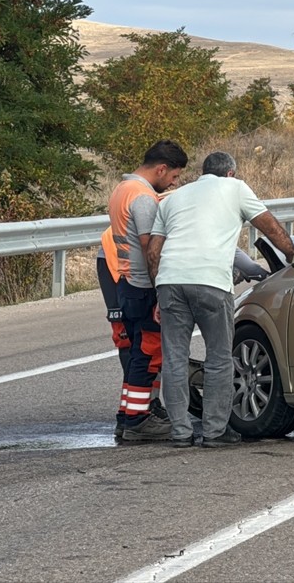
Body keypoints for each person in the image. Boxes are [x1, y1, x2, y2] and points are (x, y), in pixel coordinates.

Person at [148, 151, 294, 448]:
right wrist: (293, 255)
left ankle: (180, 433)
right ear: (230, 173)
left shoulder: (174, 198)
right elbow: (269, 226)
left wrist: (158, 292)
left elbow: (153, 252)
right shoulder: (235, 188)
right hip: (211, 282)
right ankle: (215, 431)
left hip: (170, 282)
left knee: (174, 358)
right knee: (219, 357)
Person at [108, 140, 188, 442]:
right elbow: (148, 247)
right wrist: (160, 289)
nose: (174, 183)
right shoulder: (143, 198)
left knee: (136, 353)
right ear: (162, 168)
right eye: (174, 176)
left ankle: (127, 415)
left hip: (126, 281)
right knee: (148, 353)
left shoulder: (122, 189)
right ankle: (138, 421)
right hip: (143, 284)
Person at [96, 228, 132, 441]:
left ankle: (129, 414)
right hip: (116, 266)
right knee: (132, 343)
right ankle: (129, 416)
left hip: (119, 263)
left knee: (133, 343)